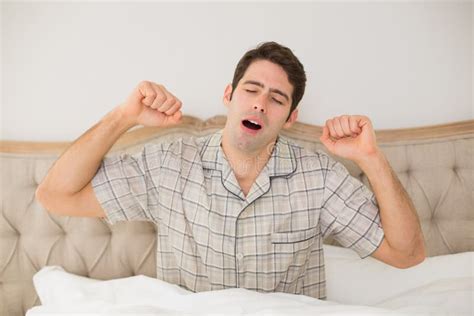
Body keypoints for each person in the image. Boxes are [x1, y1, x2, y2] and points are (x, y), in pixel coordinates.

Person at [36, 41, 425, 299]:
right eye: (251, 90)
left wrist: (372, 159)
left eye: (276, 99)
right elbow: (55, 196)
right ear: (229, 95)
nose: (259, 105)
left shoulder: (318, 176)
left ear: (290, 117)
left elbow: (406, 254)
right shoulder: (168, 164)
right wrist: (124, 116)